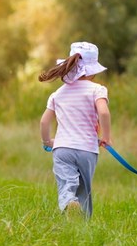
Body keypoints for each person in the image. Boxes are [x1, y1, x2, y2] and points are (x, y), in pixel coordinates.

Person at [39, 41, 112, 218]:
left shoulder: (58, 93)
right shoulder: (97, 90)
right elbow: (103, 112)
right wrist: (106, 137)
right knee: (84, 189)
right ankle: (83, 224)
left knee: (66, 185)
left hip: (63, 148)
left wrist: (47, 141)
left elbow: (44, 122)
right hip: (88, 149)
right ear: (93, 71)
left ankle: (69, 203)